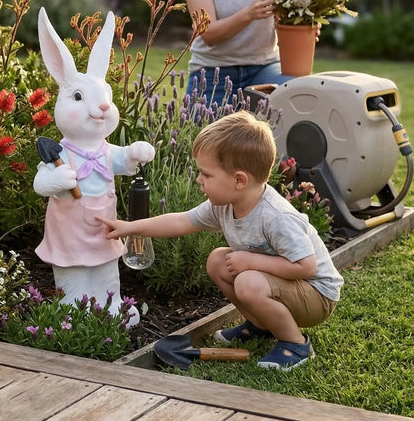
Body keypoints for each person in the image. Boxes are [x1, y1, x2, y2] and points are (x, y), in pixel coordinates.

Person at [97, 111, 343, 371]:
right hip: (284, 285)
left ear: (239, 180)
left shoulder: (276, 217)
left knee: (248, 281)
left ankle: (296, 344)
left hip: (316, 294)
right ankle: (260, 325)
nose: (199, 180)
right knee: (217, 261)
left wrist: (251, 260)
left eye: (206, 174)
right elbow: (182, 221)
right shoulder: (225, 205)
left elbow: (307, 267)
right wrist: (132, 227)